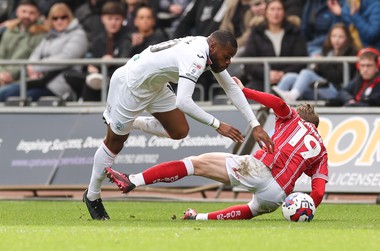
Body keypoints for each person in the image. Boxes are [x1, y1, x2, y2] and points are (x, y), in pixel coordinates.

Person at [83, 30, 274, 220]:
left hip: (155, 86)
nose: (228, 62)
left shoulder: (209, 49)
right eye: (227, 57)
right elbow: (183, 102)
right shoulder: (197, 56)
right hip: (131, 86)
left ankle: (134, 123)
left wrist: (255, 124)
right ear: (214, 47)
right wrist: (217, 124)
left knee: (179, 131)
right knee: (114, 143)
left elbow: (231, 87)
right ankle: (92, 195)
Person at [104, 76, 328, 220]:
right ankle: (198, 218)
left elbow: (278, 104)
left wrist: (244, 92)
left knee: (195, 164)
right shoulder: (322, 149)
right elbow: (318, 191)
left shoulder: (292, 119)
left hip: (261, 168)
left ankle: (133, 179)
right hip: (278, 194)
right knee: (251, 210)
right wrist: (308, 209)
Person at [0, 2, 88, 102]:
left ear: (70, 17)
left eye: (63, 17)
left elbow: (66, 57)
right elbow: (35, 54)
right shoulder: (50, 36)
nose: (59, 21)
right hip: (39, 81)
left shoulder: (78, 35)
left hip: (60, 84)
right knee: (5, 93)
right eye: (55, 18)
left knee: (25, 98)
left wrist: (36, 67)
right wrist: (31, 67)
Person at [272, 23, 358, 102]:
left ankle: (291, 96)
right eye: (334, 36)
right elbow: (321, 73)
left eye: (341, 37)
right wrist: (316, 65)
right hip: (319, 87)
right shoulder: (327, 51)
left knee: (306, 73)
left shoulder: (351, 53)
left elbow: (337, 77)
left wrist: (321, 63)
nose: (337, 40)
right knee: (290, 76)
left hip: (336, 91)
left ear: (347, 38)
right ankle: (272, 101)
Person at [242, 0, 308, 91]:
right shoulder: (256, 33)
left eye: (279, 9)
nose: (275, 13)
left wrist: (283, 73)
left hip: (290, 80)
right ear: (266, 12)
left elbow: (301, 59)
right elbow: (249, 61)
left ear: (284, 12)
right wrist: (267, 73)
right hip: (261, 81)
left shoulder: (295, 32)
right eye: (272, 9)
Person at [75, 1, 133, 101]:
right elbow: (92, 60)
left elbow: (125, 64)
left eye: (117, 19)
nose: (113, 23)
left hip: (119, 82)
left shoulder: (128, 38)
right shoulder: (97, 40)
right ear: (103, 19)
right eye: (109, 19)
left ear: (123, 19)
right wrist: (92, 66)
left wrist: (109, 63)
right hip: (98, 80)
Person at [0, 0, 47, 87]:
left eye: (31, 13)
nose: (26, 15)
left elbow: (32, 60)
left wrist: (10, 74)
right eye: (24, 11)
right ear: (17, 12)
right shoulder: (10, 30)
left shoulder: (40, 34)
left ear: (38, 15)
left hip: (22, 78)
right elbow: (1, 55)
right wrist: (2, 73)